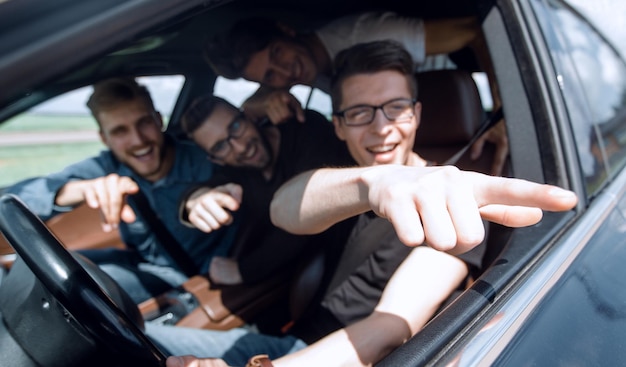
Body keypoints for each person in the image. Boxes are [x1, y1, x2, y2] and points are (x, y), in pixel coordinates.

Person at [146, 40, 577, 367]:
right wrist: (377, 182)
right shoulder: (350, 179)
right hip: (291, 332)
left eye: (396, 108)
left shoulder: (455, 198)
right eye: (359, 113)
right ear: (337, 126)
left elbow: (388, 329)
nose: (381, 129)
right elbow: (285, 206)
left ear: (417, 114)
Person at [5, 77, 238, 303]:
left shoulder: (204, 160)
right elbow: (13, 199)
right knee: (37, 269)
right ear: (104, 139)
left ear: (158, 120)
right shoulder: (106, 167)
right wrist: (77, 190)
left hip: (188, 274)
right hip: (139, 260)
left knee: (76, 288)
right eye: (120, 131)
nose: (138, 140)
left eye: (144, 123)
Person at [205, 13, 508, 176]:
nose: (286, 74)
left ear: (287, 30)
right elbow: (255, 100)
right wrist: (256, 102)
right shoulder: (289, 74)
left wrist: (504, 110)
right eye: (271, 77)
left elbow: (474, 31)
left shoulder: (368, 33)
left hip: (445, 116)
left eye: (277, 54)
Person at [177, 95, 353, 285]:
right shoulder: (237, 173)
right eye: (220, 146)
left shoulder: (306, 129)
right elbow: (208, 188)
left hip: (352, 251)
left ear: (249, 117)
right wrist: (195, 200)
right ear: (215, 159)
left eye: (236, 127)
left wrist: (244, 271)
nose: (241, 147)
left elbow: (307, 212)